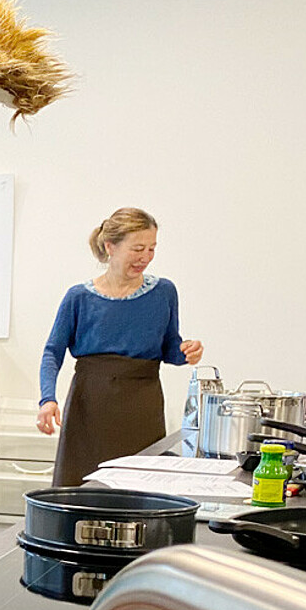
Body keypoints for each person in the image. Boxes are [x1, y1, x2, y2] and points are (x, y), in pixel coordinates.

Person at [36, 207, 205, 485]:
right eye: (138, 248)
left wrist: (186, 351)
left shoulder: (164, 292)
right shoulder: (78, 297)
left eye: (152, 249)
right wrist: (48, 399)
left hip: (142, 405)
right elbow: (52, 352)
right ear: (110, 246)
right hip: (89, 405)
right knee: (83, 489)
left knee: (138, 488)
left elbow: (169, 348)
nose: (146, 258)